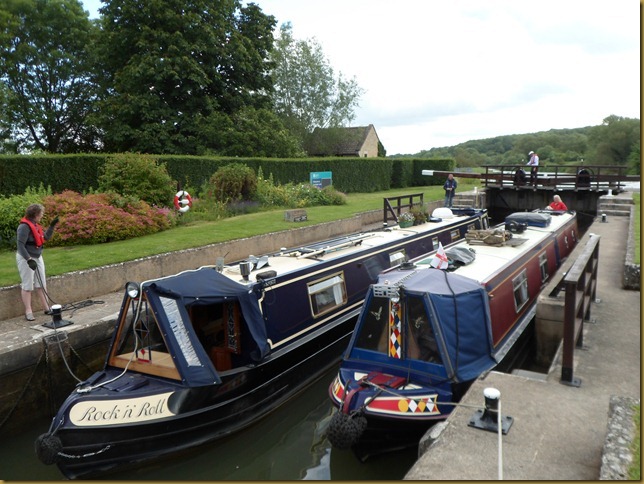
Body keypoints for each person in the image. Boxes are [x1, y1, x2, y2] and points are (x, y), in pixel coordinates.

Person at [16, 204, 59, 321]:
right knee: (28, 285)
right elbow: (20, 245)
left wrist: (52, 226)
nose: (42, 215)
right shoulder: (24, 227)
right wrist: (28, 259)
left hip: (38, 257)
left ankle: (46, 308)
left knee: (41, 283)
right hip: (26, 258)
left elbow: (45, 237)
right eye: (41, 214)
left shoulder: (35, 225)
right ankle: (28, 311)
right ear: (35, 214)